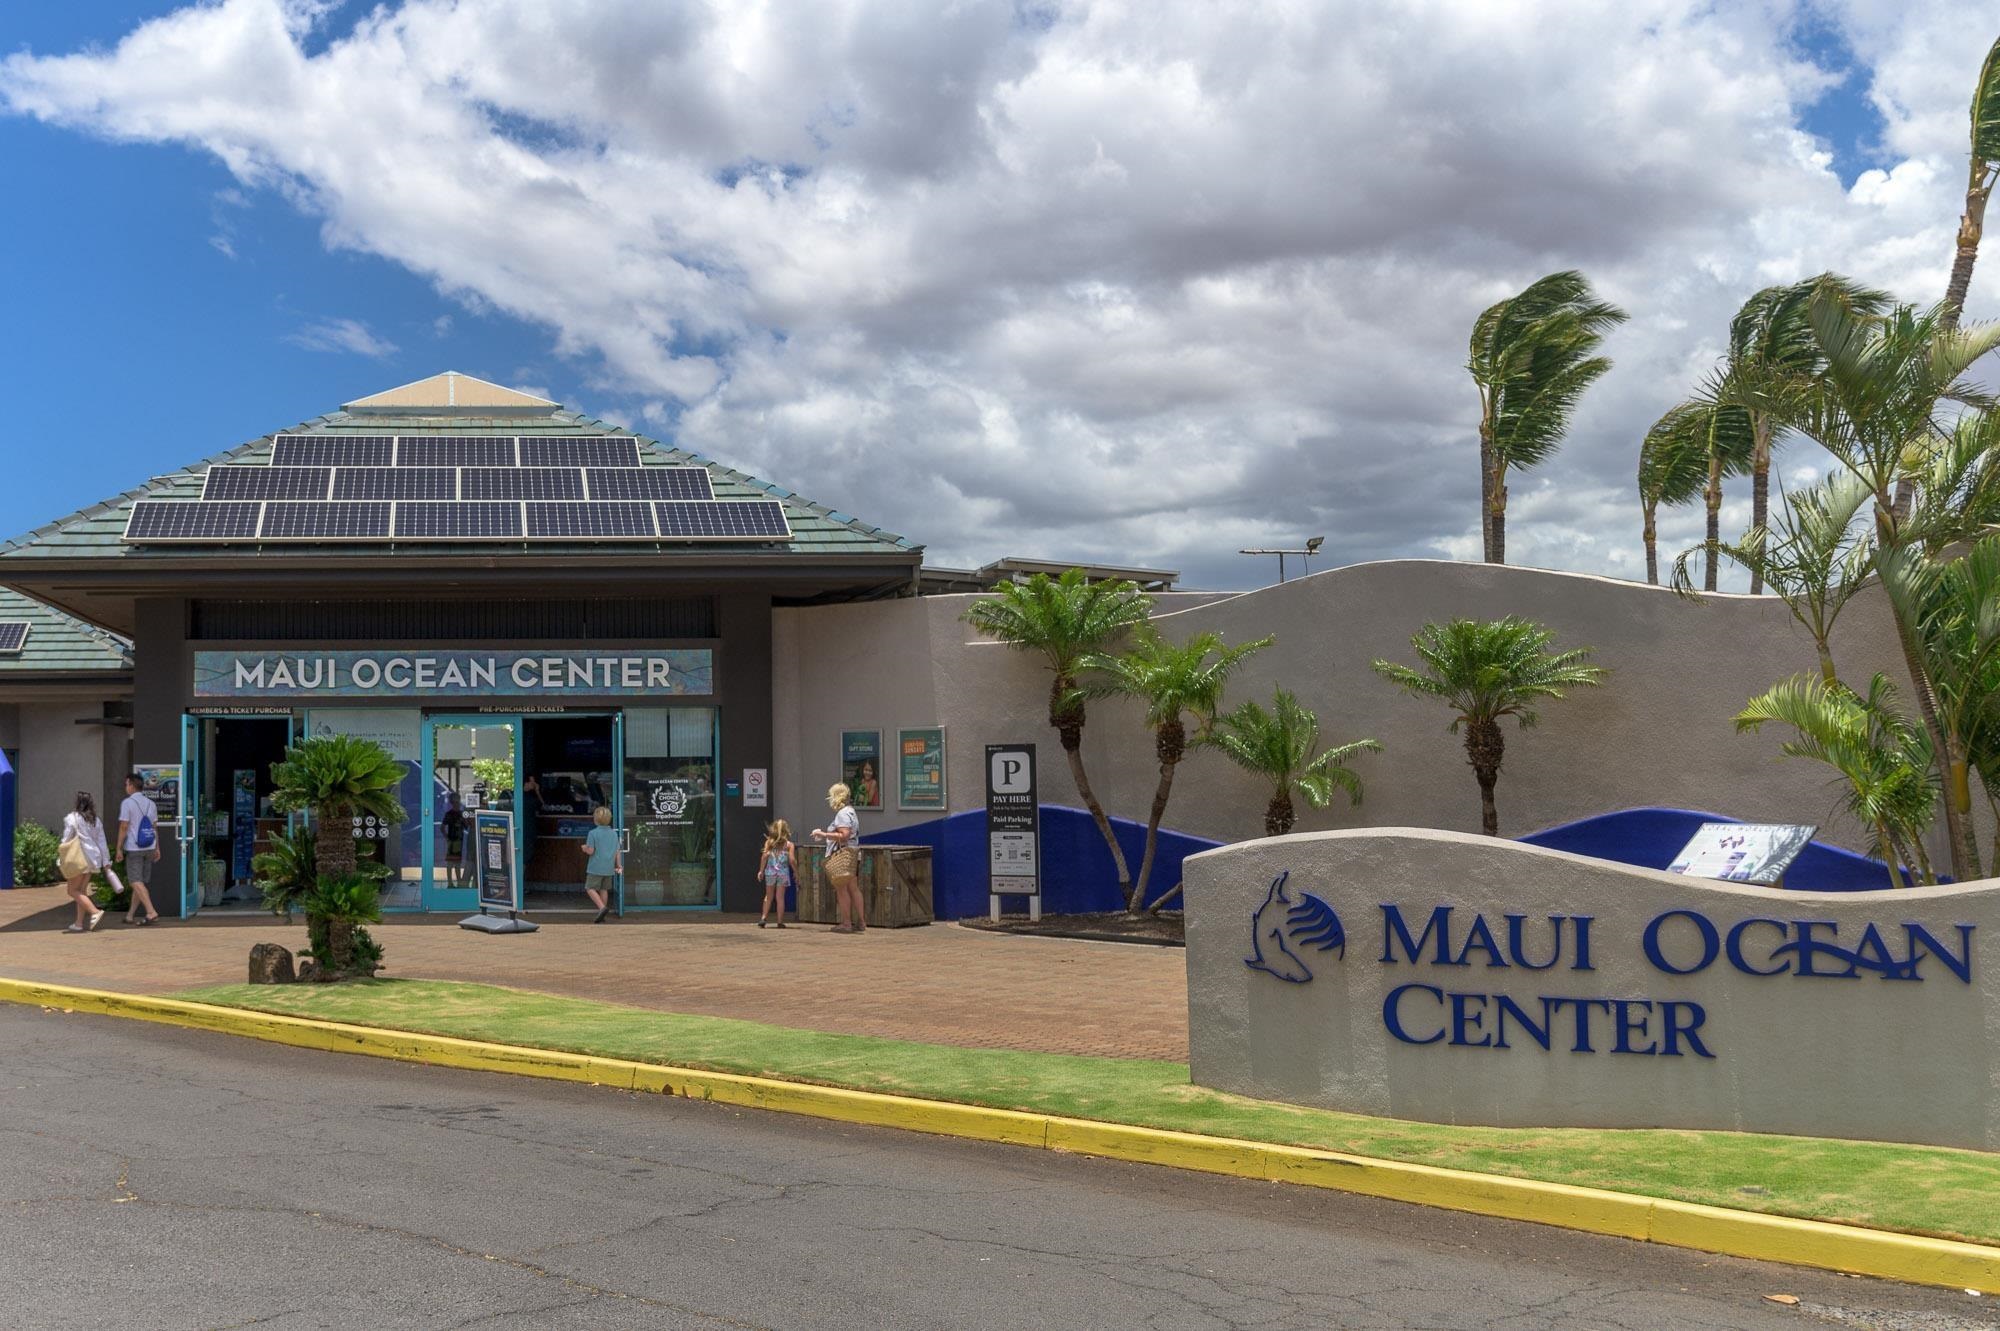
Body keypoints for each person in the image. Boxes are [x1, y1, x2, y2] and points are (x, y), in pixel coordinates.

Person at [810, 782, 865, 934]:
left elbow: (844, 835)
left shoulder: (842, 814)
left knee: (842, 888)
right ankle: (861, 921)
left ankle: (846, 923)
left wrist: (823, 834)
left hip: (843, 855)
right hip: (853, 853)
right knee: (854, 888)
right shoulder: (851, 811)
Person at [58, 791, 115, 934]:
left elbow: (66, 839)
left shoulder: (72, 818)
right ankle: (78, 923)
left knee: (72, 890)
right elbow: (102, 841)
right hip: (92, 858)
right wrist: (106, 861)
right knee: (82, 891)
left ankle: (94, 912)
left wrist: (62, 857)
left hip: (79, 858)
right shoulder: (95, 820)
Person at [115, 773, 163, 926]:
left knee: (135, 881)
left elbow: (124, 826)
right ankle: (130, 915)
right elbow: (154, 827)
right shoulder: (151, 804)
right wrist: (157, 847)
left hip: (134, 848)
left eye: (126, 784)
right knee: (140, 882)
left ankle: (151, 911)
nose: (125, 787)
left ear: (131, 785)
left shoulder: (127, 803)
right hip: (149, 846)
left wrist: (119, 849)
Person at [580, 805, 621, 924]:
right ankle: (602, 913)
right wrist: (618, 865)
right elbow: (617, 851)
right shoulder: (614, 834)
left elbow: (591, 851)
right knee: (604, 889)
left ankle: (602, 908)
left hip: (595, 867)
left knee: (589, 887)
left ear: (596, 819)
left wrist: (584, 848)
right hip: (609, 867)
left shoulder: (592, 833)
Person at [757, 819, 797, 929]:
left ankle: (763, 918)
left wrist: (761, 870)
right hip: (783, 873)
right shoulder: (789, 845)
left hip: (770, 872)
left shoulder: (769, 843)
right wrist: (796, 872)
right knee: (780, 898)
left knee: (768, 896)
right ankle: (780, 921)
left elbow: (764, 857)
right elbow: (792, 860)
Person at [441, 793, 466, 884]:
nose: (458, 803)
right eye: (456, 801)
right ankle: (450, 882)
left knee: (458, 862)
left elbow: (466, 826)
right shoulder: (449, 814)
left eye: (458, 801)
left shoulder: (462, 814)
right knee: (450, 862)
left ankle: (459, 881)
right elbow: (442, 827)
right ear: (452, 802)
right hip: (452, 841)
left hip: (459, 841)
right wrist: (447, 837)